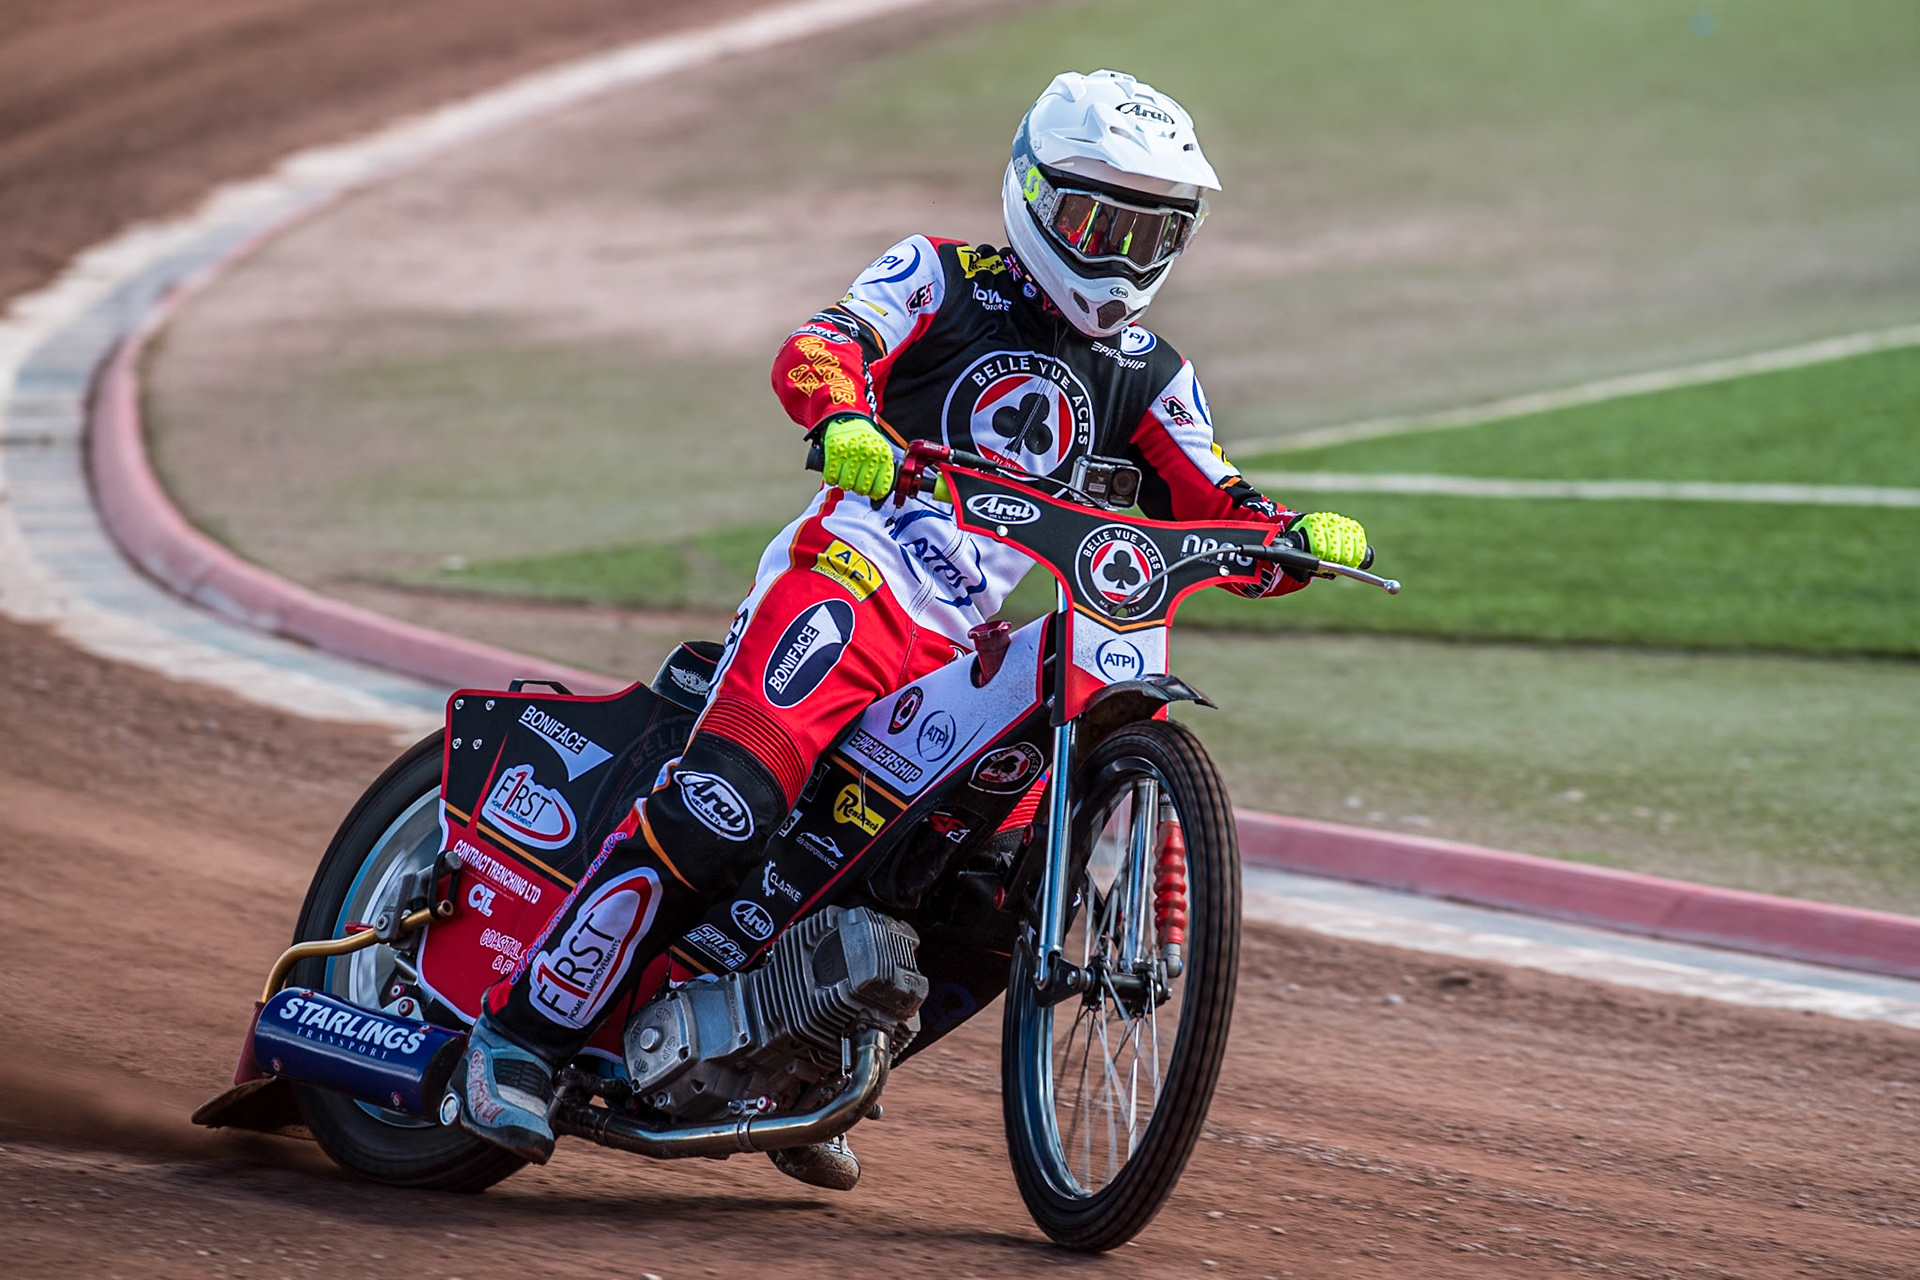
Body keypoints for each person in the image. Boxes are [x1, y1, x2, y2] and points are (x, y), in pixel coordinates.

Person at [458, 69, 1370, 1187]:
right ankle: (522, 1036)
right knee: (728, 803)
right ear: (1033, 197)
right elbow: (821, 343)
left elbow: (1215, 498)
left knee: (1004, 893)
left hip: (966, 649)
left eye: (1152, 230)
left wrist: (1290, 540)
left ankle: (811, 1070)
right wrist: (843, 415)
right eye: (1095, 220)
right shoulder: (938, 274)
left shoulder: (1154, 374)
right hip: (851, 582)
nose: (1120, 254)